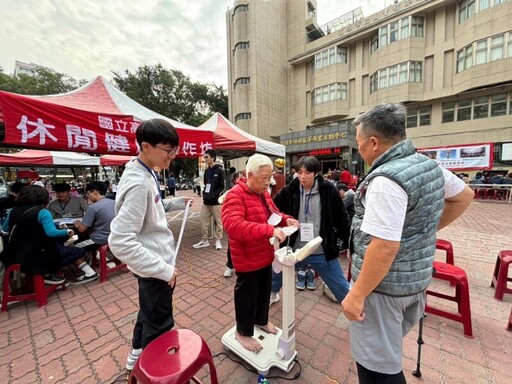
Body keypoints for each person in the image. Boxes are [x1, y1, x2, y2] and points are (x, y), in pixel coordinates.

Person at [341, 102, 474, 384]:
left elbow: (384, 246)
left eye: (360, 144)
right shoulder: (428, 165)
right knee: (386, 354)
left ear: (374, 143)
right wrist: (421, 231)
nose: (360, 150)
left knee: (377, 368)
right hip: (414, 283)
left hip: (383, 289)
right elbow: (464, 196)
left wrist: (356, 295)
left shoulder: (386, 180)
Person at [108, 118, 190, 371]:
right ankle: (156, 372)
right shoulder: (139, 182)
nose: (173, 156)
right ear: (146, 146)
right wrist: (164, 270)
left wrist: (175, 203)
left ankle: (136, 355)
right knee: (160, 324)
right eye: (168, 150)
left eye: (174, 150)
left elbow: (150, 209)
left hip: (154, 265)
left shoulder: (145, 170)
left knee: (149, 312)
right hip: (155, 269)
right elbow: (119, 241)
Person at [221, 154, 299, 352]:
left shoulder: (263, 193)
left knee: (264, 291)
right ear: (250, 175)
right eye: (264, 177)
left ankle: (261, 320)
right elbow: (233, 226)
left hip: (264, 253)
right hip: (247, 257)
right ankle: (243, 332)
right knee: (247, 295)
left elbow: (273, 213)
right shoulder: (235, 195)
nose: (268, 182)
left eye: (269, 177)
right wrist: (269, 230)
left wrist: (285, 219)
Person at [271, 156, 351, 305]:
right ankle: (272, 294)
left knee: (341, 286)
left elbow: (342, 218)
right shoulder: (290, 190)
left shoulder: (328, 190)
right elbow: (273, 209)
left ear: (315, 173)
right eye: (299, 172)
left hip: (321, 250)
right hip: (294, 249)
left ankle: (353, 309)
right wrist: (283, 221)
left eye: (307, 172)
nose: (302, 176)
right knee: (275, 276)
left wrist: (349, 244)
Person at [1, 185, 98, 285]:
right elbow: (51, 232)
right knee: (78, 251)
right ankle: (50, 273)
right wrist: (67, 232)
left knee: (61, 248)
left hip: (18, 254)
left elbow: (5, 230)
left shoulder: (13, 211)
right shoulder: (43, 212)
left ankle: (50, 274)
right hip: (40, 256)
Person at [193, 149, 225, 250]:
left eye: (206, 157)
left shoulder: (220, 170)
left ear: (212, 158)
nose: (205, 159)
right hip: (206, 201)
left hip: (215, 202)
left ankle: (218, 241)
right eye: (204, 157)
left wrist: (214, 195)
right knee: (203, 220)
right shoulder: (207, 171)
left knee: (218, 221)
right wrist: (204, 193)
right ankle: (204, 240)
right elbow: (206, 184)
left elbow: (222, 187)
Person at [73, 181, 115, 249]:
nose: (87, 196)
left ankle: (83, 259)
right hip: (115, 238)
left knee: (74, 248)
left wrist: (77, 224)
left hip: (99, 240)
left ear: (95, 192)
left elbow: (81, 229)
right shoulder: (115, 203)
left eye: (88, 193)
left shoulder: (93, 207)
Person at [220, 171, 243, 278]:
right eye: (238, 178)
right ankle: (230, 266)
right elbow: (221, 199)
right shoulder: (232, 191)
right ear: (234, 180)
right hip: (235, 225)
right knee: (232, 246)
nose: (242, 179)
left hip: (247, 224)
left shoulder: (253, 190)